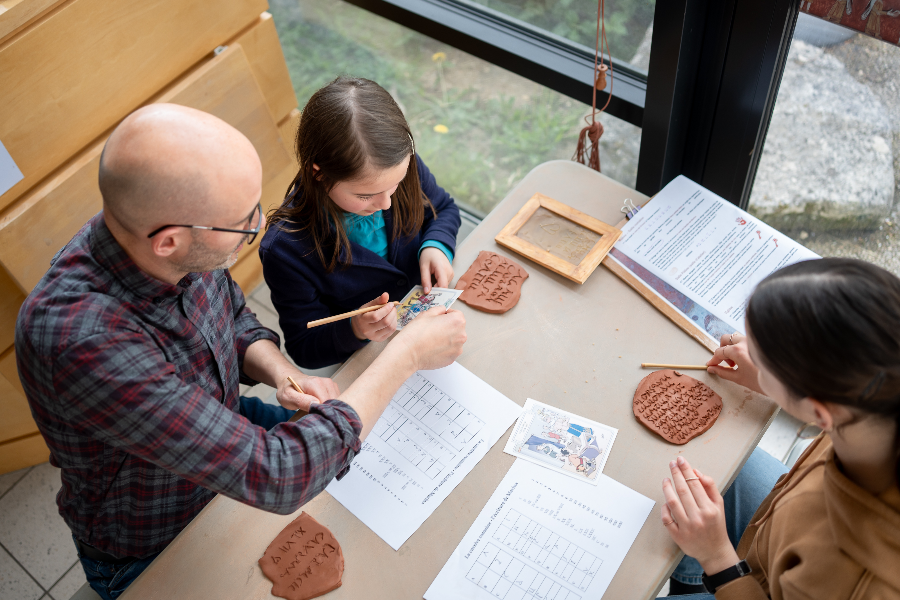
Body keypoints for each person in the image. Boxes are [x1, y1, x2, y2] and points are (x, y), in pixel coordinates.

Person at [14, 104, 466, 600]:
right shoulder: (84, 343)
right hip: (156, 534)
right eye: (242, 223)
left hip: (226, 421)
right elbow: (280, 474)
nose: (257, 226)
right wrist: (406, 357)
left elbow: (230, 314)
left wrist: (281, 372)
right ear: (169, 241)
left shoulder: (161, 237)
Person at [658, 258, 900, 599]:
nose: (748, 355)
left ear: (819, 411)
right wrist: (772, 381)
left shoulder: (852, 578)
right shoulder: (876, 404)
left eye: (762, 359)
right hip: (778, 530)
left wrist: (716, 556)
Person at [259, 76, 462, 370]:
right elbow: (304, 348)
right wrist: (354, 330)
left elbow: (443, 208)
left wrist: (436, 245)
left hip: (432, 333)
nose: (386, 203)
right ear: (319, 174)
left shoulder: (396, 167)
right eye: (365, 195)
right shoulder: (286, 248)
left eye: (397, 184)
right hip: (368, 361)